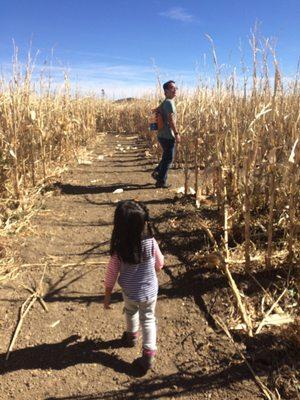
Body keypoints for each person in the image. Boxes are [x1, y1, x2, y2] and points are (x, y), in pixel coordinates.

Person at [103, 200, 164, 372]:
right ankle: (149, 354)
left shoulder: (119, 249)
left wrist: (107, 296)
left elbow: (111, 275)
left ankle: (131, 336)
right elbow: (160, 263)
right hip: (150, 291)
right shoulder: (151, 242)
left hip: (130, 292)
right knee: (149, 319)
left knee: (130, 311)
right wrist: (155, 269)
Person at [152, 80, 181, 188]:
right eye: (172, 88)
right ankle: (161, 181)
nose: (175, 90)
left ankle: (157, 173)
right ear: (166, 91)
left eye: (175, 88)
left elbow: (157, 111)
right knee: (169, 158)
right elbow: (171, 120)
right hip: (168, 135)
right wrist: (177, 133)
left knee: (166, 157)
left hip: (162, 135)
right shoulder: (169, 102)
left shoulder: (164, 102)